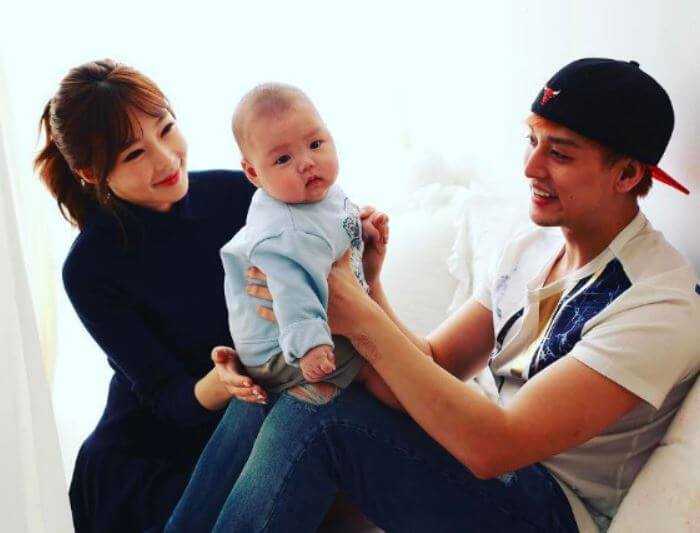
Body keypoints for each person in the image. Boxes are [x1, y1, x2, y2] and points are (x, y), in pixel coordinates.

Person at [166, 58, 700, 533]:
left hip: (551, 507)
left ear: (626, 173)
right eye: (532, 141)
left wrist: (358, 318)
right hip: (483, 460)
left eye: (558, 153)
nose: (530, 168)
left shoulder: (658, 303)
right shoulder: (529, 247)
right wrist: (369, 284)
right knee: (271, 393)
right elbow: (438, 363)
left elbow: (498, 447)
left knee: (319, 414)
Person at [35, 59, 259, 532]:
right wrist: (224, 382)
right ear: (91, 172)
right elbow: (168, 400)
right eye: (134, 153)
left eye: (167, 129)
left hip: (249, 422)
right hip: (144, 468)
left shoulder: (241, 194)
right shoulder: (89, 268)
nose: (165, 159)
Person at [221, 83, 395, 404]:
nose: (306, 162)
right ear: (253, 173)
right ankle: (307, 386)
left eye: (315, 144)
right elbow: (292, 293)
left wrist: (361, 227)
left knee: (388, 347)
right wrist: (311, 346)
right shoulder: (284, 234)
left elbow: (330, 228)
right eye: (283, 159)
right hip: (279, 347)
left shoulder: (314, 191)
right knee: (375, 366)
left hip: (312, 317)